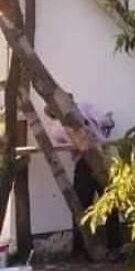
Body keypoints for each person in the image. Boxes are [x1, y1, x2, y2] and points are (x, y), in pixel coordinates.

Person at [44, 102, 121, 259]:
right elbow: (71, 141)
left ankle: (115, 247)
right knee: (81, 204)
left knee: (110, 202)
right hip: (83, 161)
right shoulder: (57, 128)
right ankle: (81, 249)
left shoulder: (85, 108)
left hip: (102, 157)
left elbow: (106, 121)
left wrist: (92, 121)